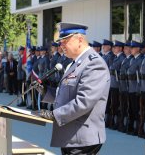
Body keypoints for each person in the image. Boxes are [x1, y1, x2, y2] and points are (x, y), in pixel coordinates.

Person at [34, 22, 110, 154]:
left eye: (65, 41)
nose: (61, 46)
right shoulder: (75, 63)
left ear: (80, 40)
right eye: (60, 42)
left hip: (82, 137)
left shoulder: (94, 63)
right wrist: (46, 92)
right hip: (72, 135)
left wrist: (54, 114)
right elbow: (68, 95)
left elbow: (84, 101)